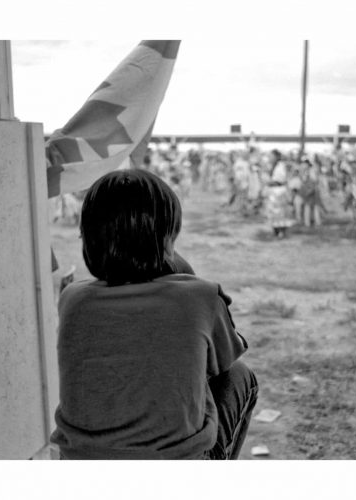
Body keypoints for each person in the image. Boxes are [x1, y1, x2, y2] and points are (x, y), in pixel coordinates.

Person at [50, 169, 258, 460]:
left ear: (88, 238)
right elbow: (226, 359)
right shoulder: (200, 296)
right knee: (239, 375)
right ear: (170, 238)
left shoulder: (72, 299)